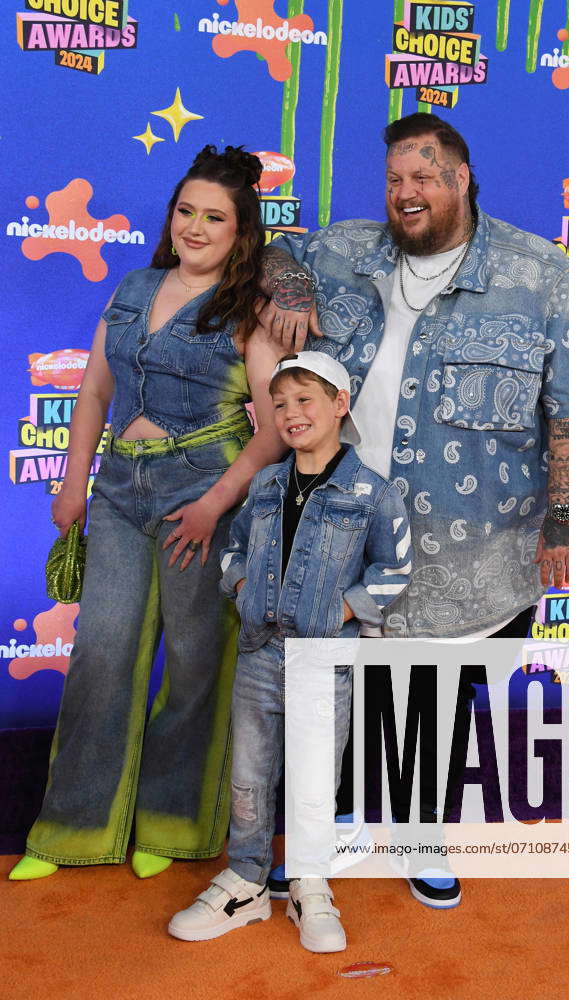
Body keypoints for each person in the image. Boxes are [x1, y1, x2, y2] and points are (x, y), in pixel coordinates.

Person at [257, 112, 569, 907]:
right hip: (345, 530)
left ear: (461, 180)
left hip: (471, 550)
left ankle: (421, 831)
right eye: (394, 179)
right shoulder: (346, 250)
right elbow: (273, 248)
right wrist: (285, 283)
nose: (404, 194)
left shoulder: (539, 272)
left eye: (422, 178)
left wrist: (564, 515)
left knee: (437, 690)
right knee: (338, 681)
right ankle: (335, 826)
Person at [9, 146, 285, 881]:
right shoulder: (134, 285)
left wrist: (212, 505)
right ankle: (71, 830)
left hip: (204, 492)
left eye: (215, 217)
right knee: (100, 653)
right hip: (120, 493)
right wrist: (73, 484)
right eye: (186, 210)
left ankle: (175, 824)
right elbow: (95, 393)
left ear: (240, 231)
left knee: (196, 662)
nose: (196, 226)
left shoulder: (247, 306)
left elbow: (274, 427)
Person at [168, 352, 412, 951]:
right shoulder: (268, 484)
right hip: (257, 652)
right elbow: (234, 549)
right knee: (249, 776)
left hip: (322, 660)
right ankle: (246, 882)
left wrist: (343, 609)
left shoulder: (370, 493)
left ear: (340, 404)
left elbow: (395, 568)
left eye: (305, 400)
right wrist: (245, 585)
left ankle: (309, 884)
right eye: (278, 404)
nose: (290, 413)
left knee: (312, 780)